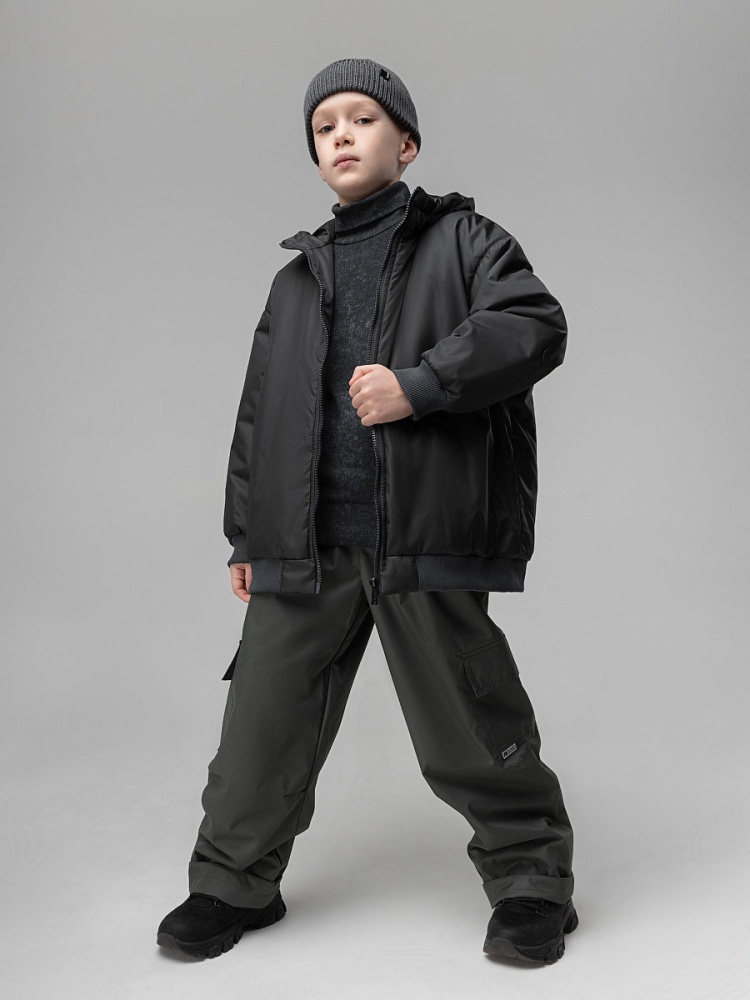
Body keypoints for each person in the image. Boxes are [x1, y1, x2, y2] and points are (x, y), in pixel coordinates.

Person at [157, 57, 578, 966]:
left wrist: (420, 386)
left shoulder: (465, 242)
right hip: (305, 544)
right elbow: (259, 413)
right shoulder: (294, 281)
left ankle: (532, 882)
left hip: (420, 535)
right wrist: (247, 534)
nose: (341, 135)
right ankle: (232, 883)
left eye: (362, 118)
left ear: (407, 143)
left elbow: (533, 324)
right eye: (324, 127)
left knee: (470, 725)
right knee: (261, 726)